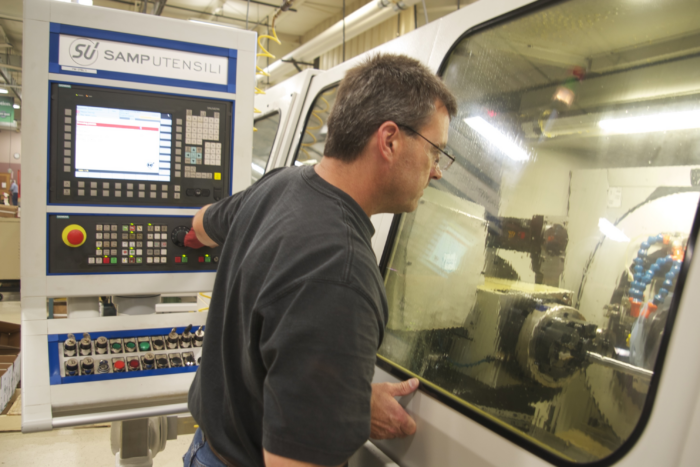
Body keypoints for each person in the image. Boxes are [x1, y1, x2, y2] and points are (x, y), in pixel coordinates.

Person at [184, 53, 457, 467]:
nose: (436, 172)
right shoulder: (340, 272)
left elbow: (202, 224)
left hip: (205, 449)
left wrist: (336, 398)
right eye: (436, 152)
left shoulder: (279, 184)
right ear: (389, 140)